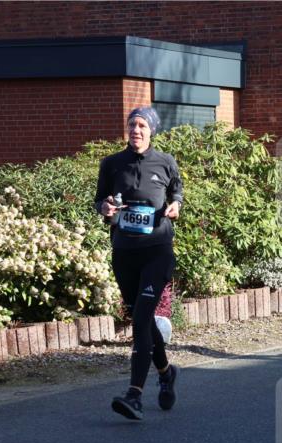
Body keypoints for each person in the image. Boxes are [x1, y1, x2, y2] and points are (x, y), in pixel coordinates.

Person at [94, 106, 182, 420]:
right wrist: (104, 208)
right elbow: (100, 199)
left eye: (142, 125)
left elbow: (177, 191)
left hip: (157, 250)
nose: (136, 130)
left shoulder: (165, 162)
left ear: (151, 130)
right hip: (124, 253)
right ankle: (166, 372)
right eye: (132, 124)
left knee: (142, 316)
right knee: (141, 319)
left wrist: (175, 205)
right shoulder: (112, 164)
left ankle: (135, 394)